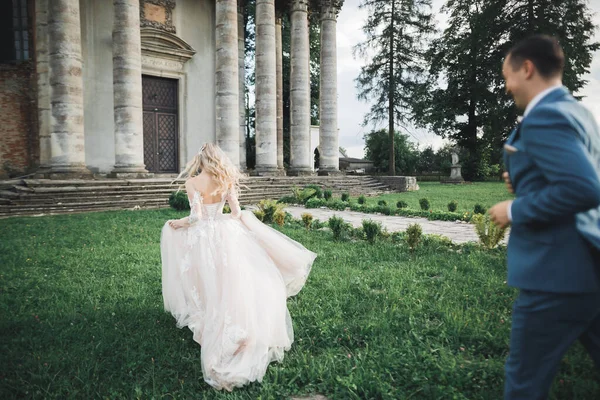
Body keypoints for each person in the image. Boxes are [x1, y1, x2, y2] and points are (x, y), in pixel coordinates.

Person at [489, 35, 600, 399]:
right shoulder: (578, 111)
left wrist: (515, 209)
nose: (507, 87)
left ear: (528, 68)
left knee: (524, 382)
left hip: (555, 274)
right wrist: (522, 176)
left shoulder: (545, 115)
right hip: (590, 265)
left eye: (508, 76)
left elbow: (584, 188)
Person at [160, 143, 316, 391]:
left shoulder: (193, 183)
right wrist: (232, 222)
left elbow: (195, 218)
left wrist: (178, 224)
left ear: (200, 161)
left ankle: (211, 315)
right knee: (231, 278)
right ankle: (234, 321)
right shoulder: (226, 179)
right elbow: (234, 212)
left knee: (206, 278)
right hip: (227, 232)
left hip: (204, 237)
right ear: (218, 160)